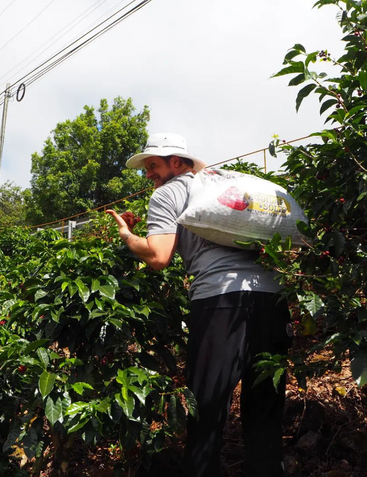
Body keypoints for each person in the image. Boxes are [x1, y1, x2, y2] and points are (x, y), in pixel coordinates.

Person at [106, 133, 293, 477]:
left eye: (153, 166)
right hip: (273, 299)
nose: (148, 175)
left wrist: (128, 237)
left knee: (205, 415)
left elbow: (159, 257)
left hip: (221, 302)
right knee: (265, 416)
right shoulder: (219, 185)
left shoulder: (168, 193)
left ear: (176, 162)